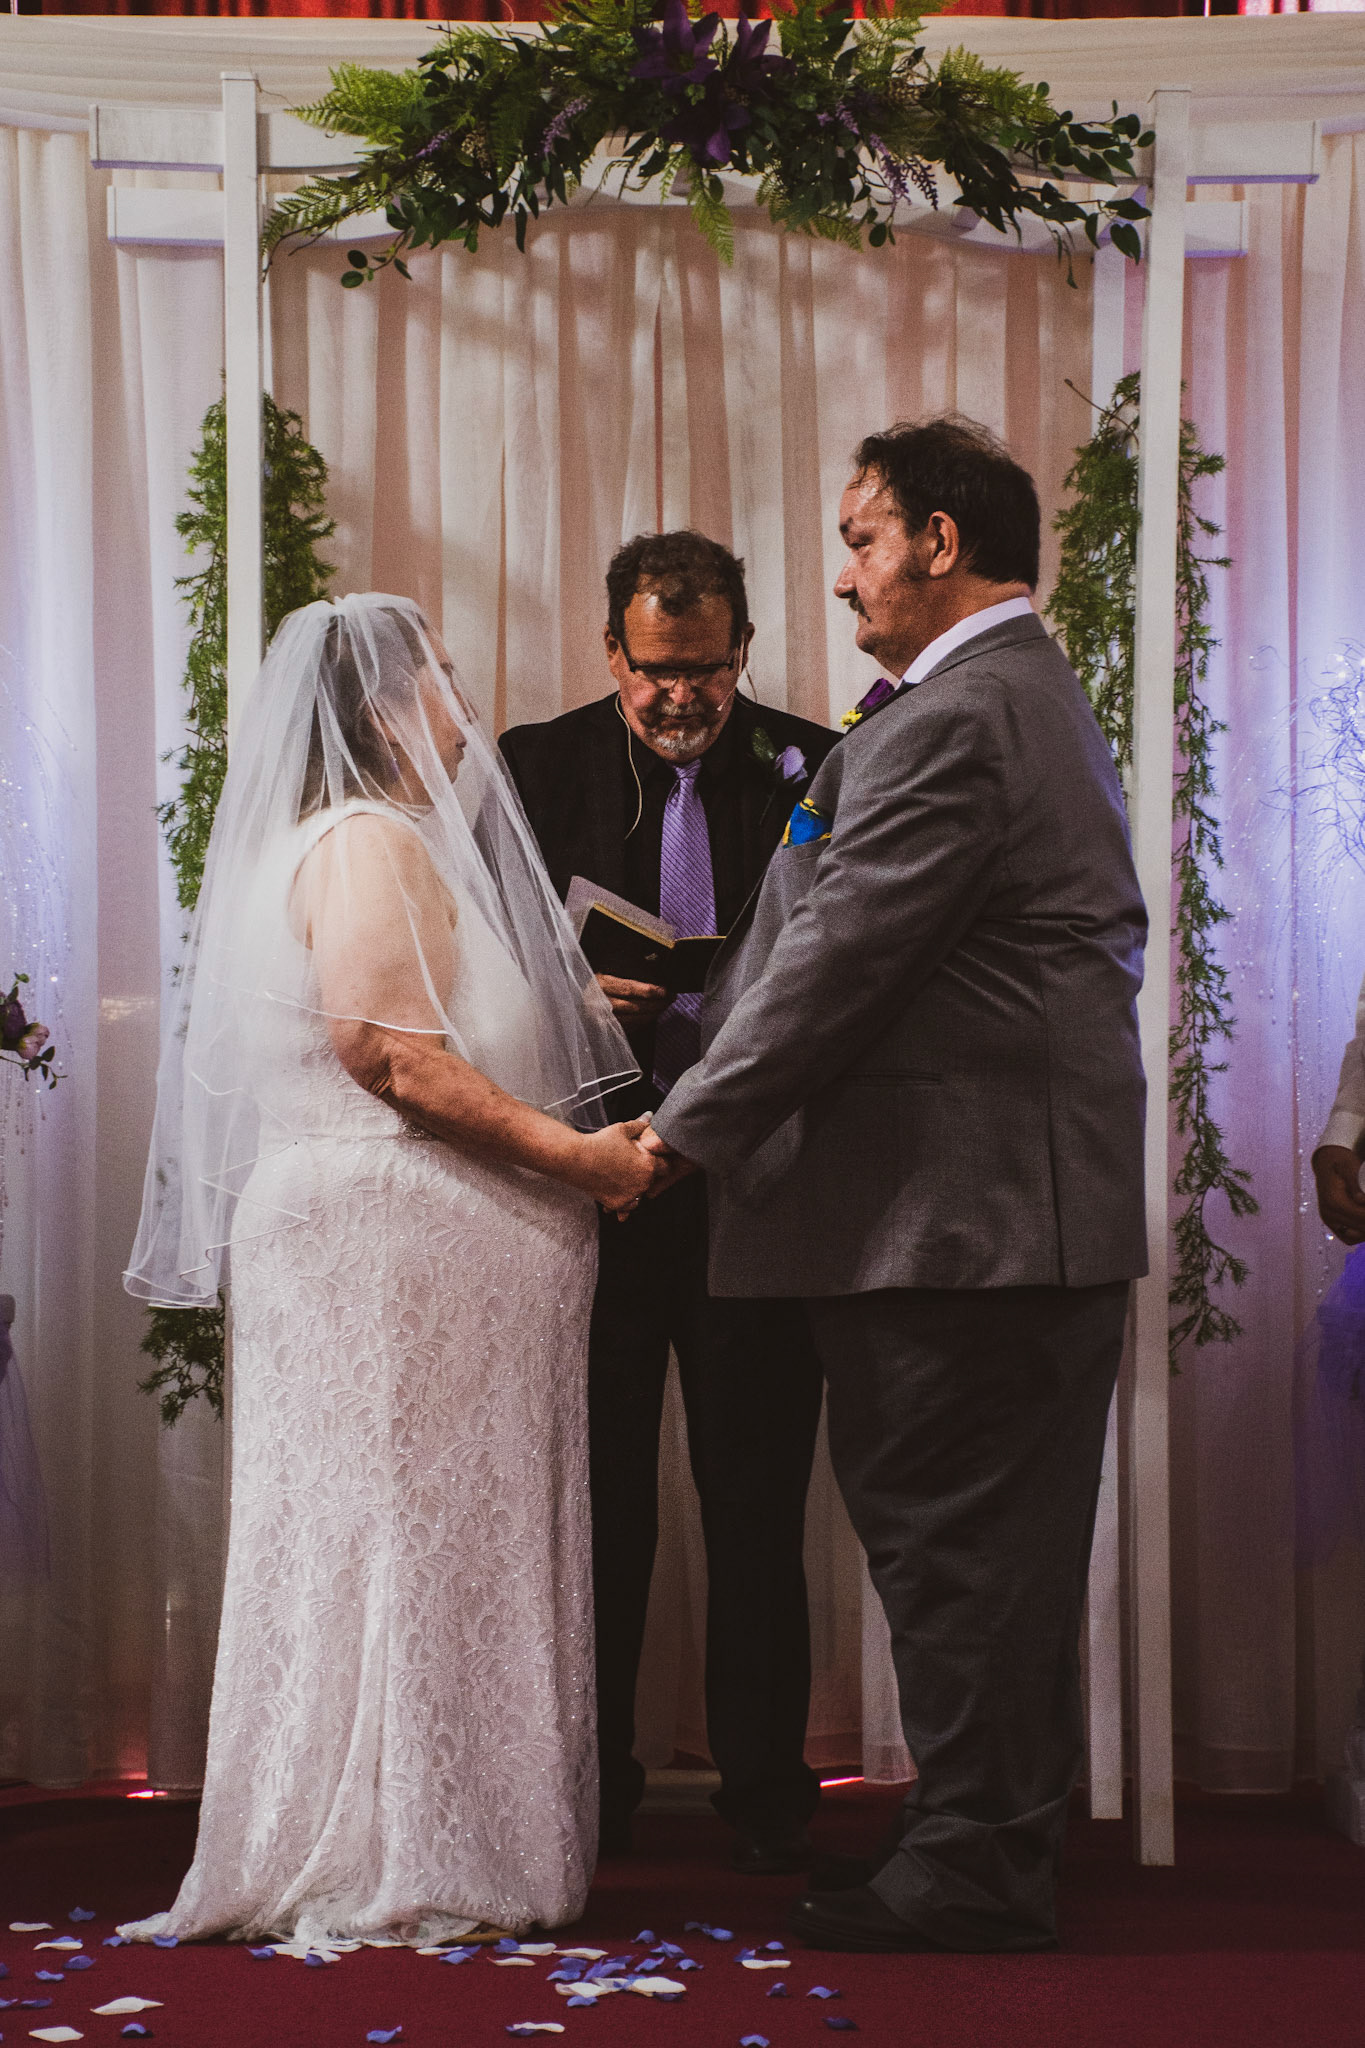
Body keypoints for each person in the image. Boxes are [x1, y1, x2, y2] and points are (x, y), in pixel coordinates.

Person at [640, 418, 1148, 1952]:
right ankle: (976, 1835)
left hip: (958, 1225)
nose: (843, 574)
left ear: (939, 541)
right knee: (985, 1558)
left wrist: (676, 1137)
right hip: (991, 1220)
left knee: (956, 1556)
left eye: (860, 539)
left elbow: (837, 965)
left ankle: (975, 1868)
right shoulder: (1003, 694)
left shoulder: (960, 714)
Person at [120, 593, 654, 1946]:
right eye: (444, 686)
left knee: (393, 1542)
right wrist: (582, 1161)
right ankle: (402, 1845)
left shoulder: (351, 842)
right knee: (397, 1545)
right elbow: (391, 1059)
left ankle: (402, 1821)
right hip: (385, 1258)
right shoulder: (367, 841)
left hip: (393, 1261)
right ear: (379, 711)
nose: (465, 716)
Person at [499, 531, 839, 1871]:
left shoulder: (819, 764)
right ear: (610, 653)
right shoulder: (534, 766)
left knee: (757, 1503)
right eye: (654, 672)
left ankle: (770, 1796)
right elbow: (460, 959)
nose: (680, 697)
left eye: (705, 670)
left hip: (758, 1190)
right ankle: (590, 1791)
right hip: (591, 1192)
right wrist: (561, 994)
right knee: (595, 1509)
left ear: (743, 651)